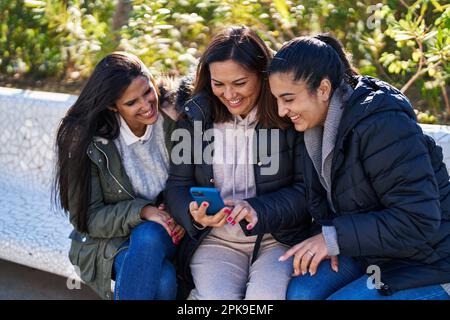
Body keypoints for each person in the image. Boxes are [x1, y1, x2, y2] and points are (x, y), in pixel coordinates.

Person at [268, 34, 450, 300]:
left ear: (323, 89)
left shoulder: (383, 124)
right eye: (277, 99)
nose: (282, 110)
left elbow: (418, 219)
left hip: (429, 262)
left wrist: (333, 239)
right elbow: (322, 209)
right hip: (369, 253)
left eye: (288, 99)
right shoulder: (313, 130)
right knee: (301, 294)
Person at [165, 26, 312, 300]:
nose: (229, 94)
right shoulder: (193, 120)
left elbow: (306, 191)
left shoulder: (288, 118)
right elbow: (177, 186)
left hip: (277, 239)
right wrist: (194, 214)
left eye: (240, 83)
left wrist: (257, 208)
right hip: (216, 241)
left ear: (263, 75)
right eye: (218, 84)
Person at [54, 52, 185, 300]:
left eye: (148, 92)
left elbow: (195, 179)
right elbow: (88, 218)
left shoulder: (173, 117)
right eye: (132, 102)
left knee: (148, 236)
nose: (146, 105)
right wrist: (143, 211)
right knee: (163, 280)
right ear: (113, 106)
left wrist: (179, 210)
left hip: (170, 231)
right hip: (109, 242)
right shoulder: (89, 142)